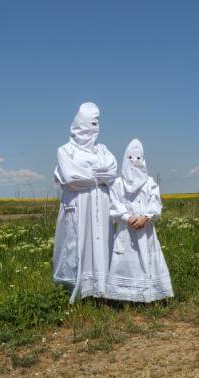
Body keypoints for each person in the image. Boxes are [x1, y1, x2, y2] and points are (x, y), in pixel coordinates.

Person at [52, 102, 118, 302]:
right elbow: (72, 178)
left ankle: (103, 286)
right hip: (78, 204)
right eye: (91, 123)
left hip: (101, 203)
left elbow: (113, 171)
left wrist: (91, 176)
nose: (95, 127)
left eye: (97, 123)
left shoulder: (102, 150)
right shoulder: (65, 150)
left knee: (103, 240)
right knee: (77, 242)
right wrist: (98, 176)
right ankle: (77, 286)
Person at [105, 139, 173, 302]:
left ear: (143, 159)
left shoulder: (150, 183)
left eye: (138, 158)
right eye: (130, 158)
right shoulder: (118, 184)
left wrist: (146, 217)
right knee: (126, 261)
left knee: (147, 258)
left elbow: (155, 202)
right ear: (124, 158)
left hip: (145, 229)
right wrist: (127, 218)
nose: (134, 162)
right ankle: (124, 296)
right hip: (125, 230)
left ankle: (149, 294)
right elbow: (114, 205)